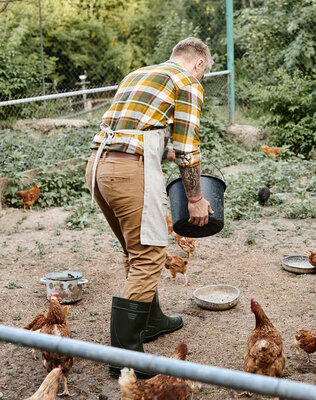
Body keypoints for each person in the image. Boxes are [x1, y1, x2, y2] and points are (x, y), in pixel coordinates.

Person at [85, 37, 214, 377]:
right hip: (130, 172)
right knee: (149, 256)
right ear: (199, 64)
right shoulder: (187, 81)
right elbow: (187, 147)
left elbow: (137, 129)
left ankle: (152, 320)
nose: (200, 79)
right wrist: (196, 199)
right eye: (203, 73)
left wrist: (164, 153)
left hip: (99, 167)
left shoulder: (139, 74)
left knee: (136, 249)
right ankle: (127, 359)